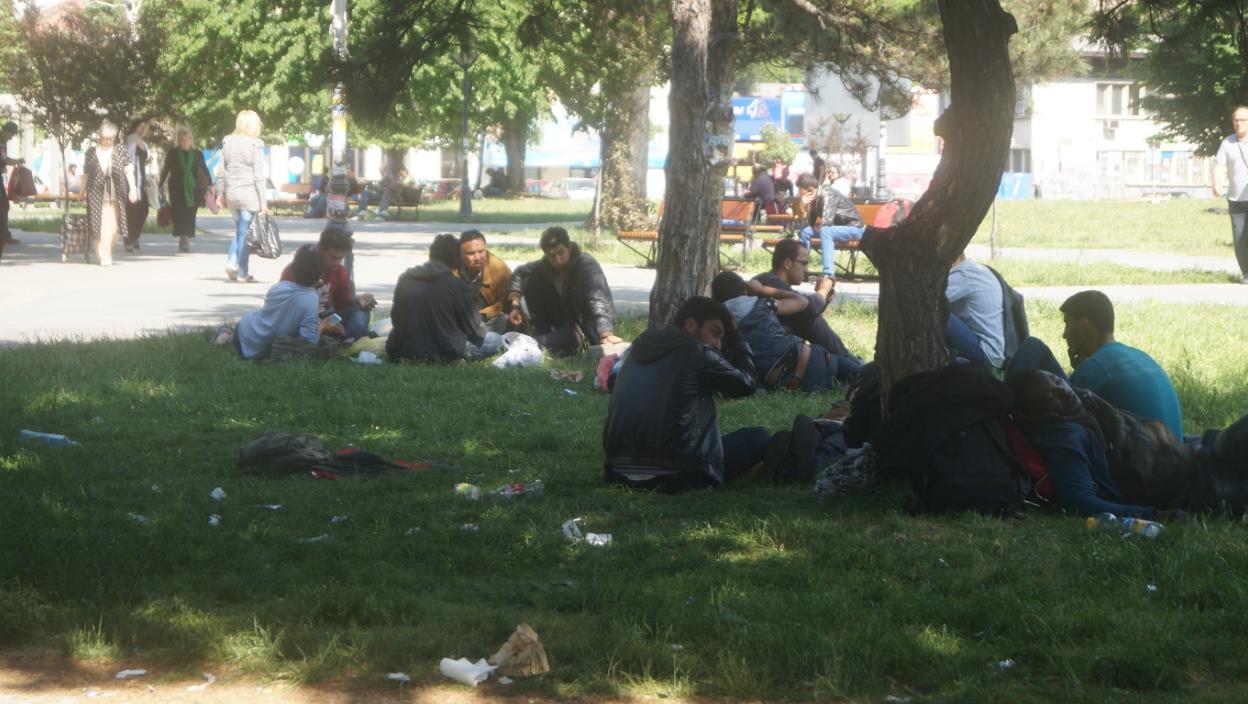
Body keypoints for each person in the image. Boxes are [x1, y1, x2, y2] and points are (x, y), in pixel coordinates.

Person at [1009, 369, 1248, 517]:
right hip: (1198, 487)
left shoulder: (1082, 404)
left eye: (1056, 380)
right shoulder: (1066, 439)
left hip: (1202, 451)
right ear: (1036, 414)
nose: (1062, 390)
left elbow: (1033, 348)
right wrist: (1154, 515)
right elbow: (1079, 502)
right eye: (1049, 395)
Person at [603, 296, 770, 489]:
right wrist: (737, 340)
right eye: (715, 333)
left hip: (616, 469)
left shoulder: (637, 348)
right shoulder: (696, 352)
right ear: (690, 325)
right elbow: (747, 384)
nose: (718, 344)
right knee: (758, 437)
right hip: (679, 471)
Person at [1009, 290, 1183, 438]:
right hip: (1173, 453)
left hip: (1137, 461)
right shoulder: (1140, 356)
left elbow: (1066, 406)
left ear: (1084, 326)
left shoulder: (1098, 367)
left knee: (1034, 346)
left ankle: (1004, 411)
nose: (1064, 334)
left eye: (1068, 324)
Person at [712, 271, 860, 391]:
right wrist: (762, 290)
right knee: (858, 373)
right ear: (745, 291)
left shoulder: (720, 324)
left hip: (786, 381)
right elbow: (801, 301)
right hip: (813, 358)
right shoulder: (762, 304)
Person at [507, 226, 623, 355]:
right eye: (552, 255)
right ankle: (540, 334)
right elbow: (519, 273)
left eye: (561, 252)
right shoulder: (545, 266)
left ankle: (525, 345)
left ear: (569, 247)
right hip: (564, 322)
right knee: (532, 280)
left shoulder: (586, 265)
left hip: (585, 326)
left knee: (535, 344)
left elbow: (597, 298)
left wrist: (605, 333)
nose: (558, 260)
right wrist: (515, 304)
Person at [387, 233, 501, 363]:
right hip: (443, 352)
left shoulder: (405, 279)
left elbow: (396, 318)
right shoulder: (457, 285)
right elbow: (477, 332)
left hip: (403, 350)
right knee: (495, 339)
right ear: (456, 259)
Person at [216, 247, 343, 360]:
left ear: (292, 270)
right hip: (266, 348)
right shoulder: (311, 298)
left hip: (244, 330)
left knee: (252, 321)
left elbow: (290, 301)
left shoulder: (279, 287)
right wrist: (322, 325)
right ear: (320, 275)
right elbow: (309, 339)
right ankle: (226, 333)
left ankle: (226, 335)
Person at [748, 238, 854, 358]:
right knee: (811, 320)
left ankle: (848, 360)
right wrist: (823, 291)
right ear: (787, 263)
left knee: (807, 317)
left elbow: (807, 308)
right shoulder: (769, 281)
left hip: (770, 348)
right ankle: (850, 361)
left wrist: (824, 299)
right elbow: (808, 306)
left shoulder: (769, 280)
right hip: (766, 354)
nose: (807, 270)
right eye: (804, 263)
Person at [280, 226, 375, 340]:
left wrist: (358, 300)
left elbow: (342, 305)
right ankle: (343, 339)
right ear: (320, 250)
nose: (337, 263)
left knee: (361, 311)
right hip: (303, 321)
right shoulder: (296, 270)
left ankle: (344, 339)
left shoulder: (340, 272)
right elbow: (284, 311)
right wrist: (320, 324)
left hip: (329, 319)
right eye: (333, 258)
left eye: (340, 259)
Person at [219, 109, 268, 283]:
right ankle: (242, 272)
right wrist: (263, 202)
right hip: (249, 195)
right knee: (244, 234)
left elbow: (222, 172)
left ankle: (232, 262)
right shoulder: (256, 144)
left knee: (240, 231)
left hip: (232, 194)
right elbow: (259, 176)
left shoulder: (227, 142)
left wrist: (220, 194)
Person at [80, 120, 138, 267]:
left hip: (117, 194)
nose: (108, 141)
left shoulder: (120, 150)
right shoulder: (91, 153)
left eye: (111, 138)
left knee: (115, 228)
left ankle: (107, 252)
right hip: (96, 194)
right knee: (99, 225)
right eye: (105, 138)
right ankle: (103, 254)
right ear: (99, 136)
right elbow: (86, 174)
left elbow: (129, 170)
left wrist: (133, 189)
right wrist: (81, 192)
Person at [945, 251, 1006, 370]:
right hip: (994, 354)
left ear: (954, 258)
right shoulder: (976, 270)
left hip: (984, 354)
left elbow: (930, 301)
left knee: (938, 313)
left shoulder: (963, 274)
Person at [159, 126, 212, 253]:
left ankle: (186, 236)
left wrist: (211, 184)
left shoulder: (197, 154)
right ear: (178, 140)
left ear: (191, 140)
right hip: (176, 188)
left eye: (188, 139)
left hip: (194, 189)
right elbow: (166, 169)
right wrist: (160, 184)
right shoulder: (173, 153)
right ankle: (183, 238)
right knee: (178, 214)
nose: (185, 142)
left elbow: (204, 169)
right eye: (182, 140)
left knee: (190, 214)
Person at [1213, 105, 1248, 283]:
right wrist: (1216, 183)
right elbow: (1219, 165)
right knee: (1240, 237)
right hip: (1236, 199)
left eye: (1243, 120)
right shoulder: (1227, 143)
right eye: (1236, 120)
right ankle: (1246, 273)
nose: (1239, 123)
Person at [453, 229, 512, 333]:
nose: (477, 258)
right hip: (460, 320)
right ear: (460, 254)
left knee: (503, 320)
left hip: (488, 319)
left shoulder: (499, 268)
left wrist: (480, 316)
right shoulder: (451, 268)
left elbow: (506, 304)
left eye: (481, 251)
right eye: (471, 253)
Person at [799, 165, 864, 253]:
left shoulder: (835, 188)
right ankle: (802, 257)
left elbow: (829, 220)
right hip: (835, 226)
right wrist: (803, 208)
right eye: (828, 172)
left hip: (847, 227)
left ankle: (806, 258)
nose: (829, 174)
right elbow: (811, 222)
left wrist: (819, 225)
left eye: (832, 172)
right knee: (805, 230)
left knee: (821, 231)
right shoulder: (820, 193)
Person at [123, 118, 151, 252]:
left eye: (144, 127)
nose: (143, 129)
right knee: (132, 210)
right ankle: (128, 239)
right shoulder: (132, 139)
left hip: (142, 179)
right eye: (140, 126)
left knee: (144, 209)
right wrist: (149, 123)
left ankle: (135, 235)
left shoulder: (143, 143)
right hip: (132, 178)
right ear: (135, 128)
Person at [0, 121, 22, 257]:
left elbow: (5, 158)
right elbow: (4, 161)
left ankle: (4, 234)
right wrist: (15, 161)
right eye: (11, 134)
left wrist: (15, 160)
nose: (11, 137)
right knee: (3, 206)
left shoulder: (3, 143)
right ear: (6, 131)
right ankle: (4, 234)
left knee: (4, 206)